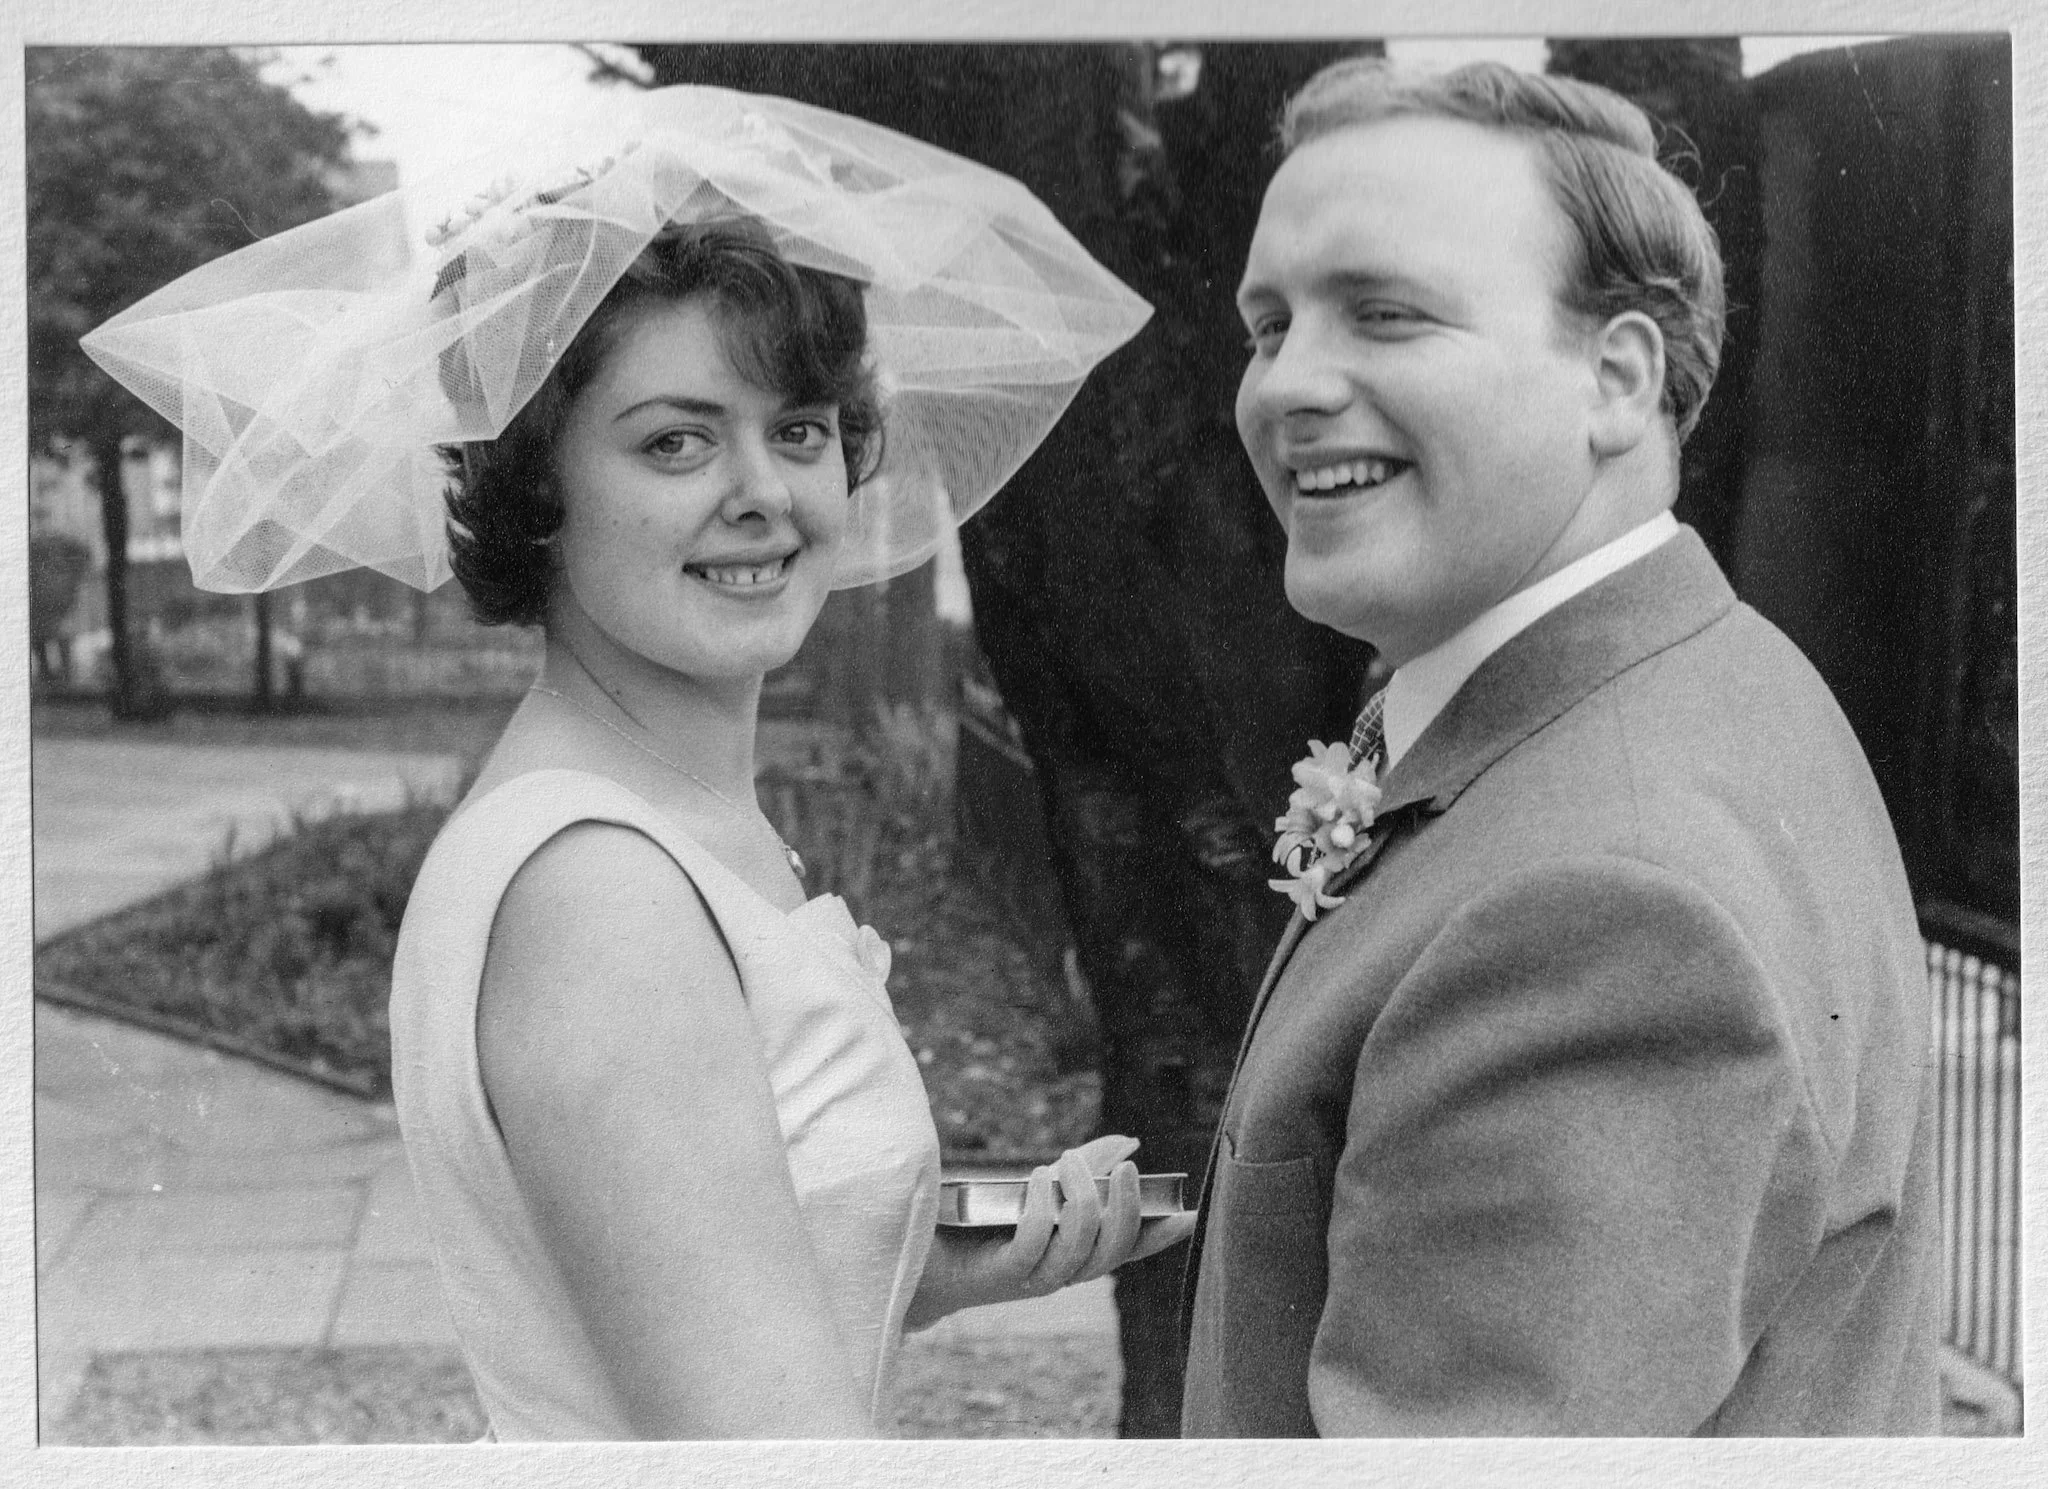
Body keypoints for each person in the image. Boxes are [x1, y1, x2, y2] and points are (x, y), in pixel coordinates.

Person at [83, 87, 1194, 1440]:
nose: (765, 492)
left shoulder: (659, 815)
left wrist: (929, 1263)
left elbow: (672, 1286)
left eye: (797, 430)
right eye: (675, 440)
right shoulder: (598, 895)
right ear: (537, 495)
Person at [1180, 59, 1941, 1437]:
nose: (1287, 386)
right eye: (1268, 325)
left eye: (1387, 315)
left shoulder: (1600, 908)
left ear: (1616, 376)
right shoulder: (1690, 674)